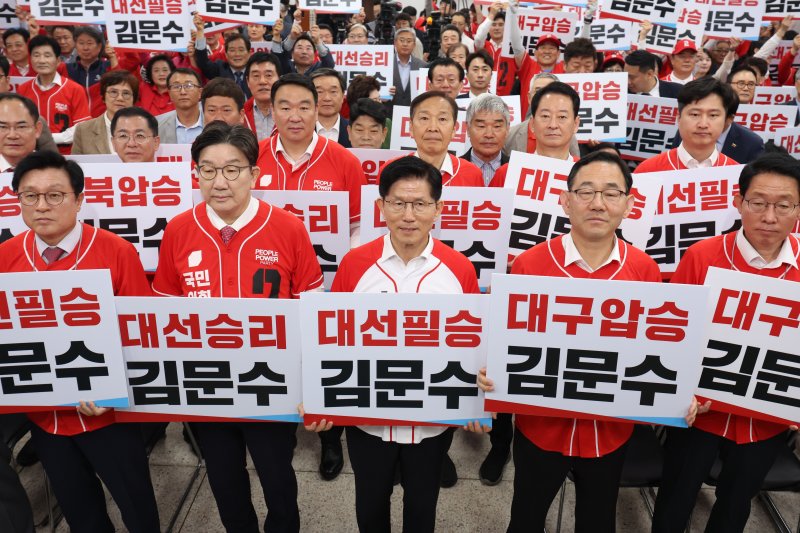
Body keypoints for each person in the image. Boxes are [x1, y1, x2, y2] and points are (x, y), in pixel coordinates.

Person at [479, 151, 696, 533]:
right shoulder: (529, 264)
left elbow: (659, 350)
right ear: (565, 201)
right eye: (586, 192)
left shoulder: (644, 270)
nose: (598, 203)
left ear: (629, 204)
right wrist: (488, 371)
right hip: (540, 428)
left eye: (611, 193)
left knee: (597, 520)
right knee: (526, 517)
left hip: (609, 432)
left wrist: (680, 393)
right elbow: (504, 340)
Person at [153, 122, 323, 533]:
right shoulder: (178, 229)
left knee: (277, 477)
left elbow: (312, 309)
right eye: (208, 170)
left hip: (271, 380)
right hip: (208, 384)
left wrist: (310, 383)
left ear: (254, 173)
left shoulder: (288, 227)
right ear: (195, 173)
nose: (219, 182)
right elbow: (164, 310)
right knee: (223, 478)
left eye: (232, 169)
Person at [0, 151, 160, 533]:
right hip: (45, 413)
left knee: (136, 505)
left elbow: (143, 333)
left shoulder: (116, 251)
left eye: (54, 195)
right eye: (30, 195)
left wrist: (115, 392)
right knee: (79, 511)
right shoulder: (6, 256)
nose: (41, 206)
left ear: (79, 199)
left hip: (108, 414)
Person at [326, 156, 482, 532]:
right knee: (370, 505)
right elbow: (330, 339)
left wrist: (479, 400)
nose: (408, 215)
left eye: (420, 204)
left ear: (438, 209)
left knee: (422, 508)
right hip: (368, 421)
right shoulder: (355, 264)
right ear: (381, 206)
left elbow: (475, 343)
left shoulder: (459, 268)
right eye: (398, 203)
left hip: (431, 423)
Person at [651, 150, 800, 533]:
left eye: (784, 205)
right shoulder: (703, 255)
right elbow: (671, 332)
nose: (769, 217)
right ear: (738, 201)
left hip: (768, 418)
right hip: (700, 413)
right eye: (758, 203)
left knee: (736, 503)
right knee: (675, 498)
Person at [255, 74, 366, 239]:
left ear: (316, 110)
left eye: (304, 108)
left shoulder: (345, 161)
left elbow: (359, 225)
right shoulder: (252, 156)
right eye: (285, 108)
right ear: (273, 110)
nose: (295, 117)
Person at [636, 77, 745, 172]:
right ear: (679, 117)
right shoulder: (648, 170)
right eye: (695, 114)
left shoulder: (736, 174)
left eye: (713, 115)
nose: (703, 124)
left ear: (727, 120)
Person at [492, 81, 581, 187]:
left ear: (575, 124)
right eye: (545, 116)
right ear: (532, 124)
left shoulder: (588, 172)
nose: (553, 125)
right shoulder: (508, 173)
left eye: (562, 117)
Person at [17, 35, 90, 150]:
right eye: (36, 55)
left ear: (58, 61)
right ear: (30, 59)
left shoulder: (75, 89)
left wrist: (48, 138)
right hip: (30, 154)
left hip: (65, 154)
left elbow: (82, 127)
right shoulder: (23, 89)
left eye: (47, 55)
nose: (41, 60)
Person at [400, 91, 483, 187]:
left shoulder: (472, 174)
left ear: (454, 130)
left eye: (442, 119)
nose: (433, 128)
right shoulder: (393, 170)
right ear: (411, 127)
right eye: (424, 118)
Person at [72, 70, 139, 155]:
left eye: (126, 93)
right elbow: (76, 163)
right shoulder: (83, 130)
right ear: (103, 97)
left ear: (134, 99)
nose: (120, 98)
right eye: (113, 92)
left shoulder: (147, 129)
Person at [194, 15, 253, 98]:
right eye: (232, 50)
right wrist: (200, 31)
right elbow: (202, 61)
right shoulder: (219, 68)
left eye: (241, 50)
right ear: (226, 54)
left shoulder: (255, 70)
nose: (237, 54)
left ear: (249, 53)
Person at [462, 94, 509, 187]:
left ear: (507, 129)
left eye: (497, 126)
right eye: (481, 126)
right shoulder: (453, 170)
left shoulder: (516, 171)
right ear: (467, 128)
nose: (489, 135)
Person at [156, 68, 204, 144]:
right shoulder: (157, 125)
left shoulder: (214, 122)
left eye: (188, 86)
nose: (183, 92)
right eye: (176, 86)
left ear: (200, 92)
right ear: (169, 93)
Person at [243, 52, 281, 140]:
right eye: (256, 76)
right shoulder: (241, 114)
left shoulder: (290, 114)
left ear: (279, 79)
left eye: (268, 75)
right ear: (248, 81)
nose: (262, 81)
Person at [310, 68, 350, 147]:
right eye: (319, 92)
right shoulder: (299, 130)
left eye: (333, 91)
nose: (327, 98)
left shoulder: (355, 130)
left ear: (343, 96)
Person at [391, 28, 427, 109]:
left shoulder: (423, 66)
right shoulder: (386, 64)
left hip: (414, 111)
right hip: (388, 112)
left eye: (409, 41)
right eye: (401, 40)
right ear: (395, 43)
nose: (405, 44)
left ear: (414, 45)